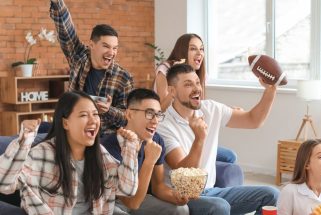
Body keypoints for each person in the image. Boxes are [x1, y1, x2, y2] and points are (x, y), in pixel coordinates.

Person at [156, 64, 279, 215]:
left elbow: (253, 120)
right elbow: (185, 175)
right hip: (183, 197)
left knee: (272, 194)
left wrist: (270, 90)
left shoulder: (211, 108)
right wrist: (199, 138)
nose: (196, 88)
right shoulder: (163, 125)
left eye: (197, 82)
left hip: (211, 191)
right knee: (219, 207)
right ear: (173, 91)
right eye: (188, 84)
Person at [0, 91, 139, 214]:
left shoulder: (100, 154)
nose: (93, 121)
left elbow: (127, 190)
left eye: (95, 114)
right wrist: (24, 141)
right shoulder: (43, 154)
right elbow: (4, 184)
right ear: (65, 123)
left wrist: (129, 149)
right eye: (84, 115)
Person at [50, 0, 133, 135]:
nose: (111, 52)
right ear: (92, 45)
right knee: (34, 134)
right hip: (72, 130)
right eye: (106, 46)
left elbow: (128, 118)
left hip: (103, 136)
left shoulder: (124, 77)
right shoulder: (79, 57)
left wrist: (108, 110)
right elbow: (66, 31)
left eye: (115, 48)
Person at [102, 88, 189, 215]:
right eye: (149, 113)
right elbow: (131, 202)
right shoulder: (108, 147)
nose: (155, 121)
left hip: (140, 198)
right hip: (112, 201)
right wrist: (149, 161)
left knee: (181, 210)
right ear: (129, 114)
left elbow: (158, 186)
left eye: (158, 114)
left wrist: (175, 196)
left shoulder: (157, 140)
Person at [154, 33, 237, 164]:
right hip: (172, 131)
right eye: (193, 49)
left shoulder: (198, 74)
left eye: (201, 49)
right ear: (182, 51)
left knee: (230, 156)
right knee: (226, 156)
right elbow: (161, 109)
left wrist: (226, 109)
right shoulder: (165, 69)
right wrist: (174, 89)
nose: (199, 53)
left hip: (190, 130)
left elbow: (197, 104)